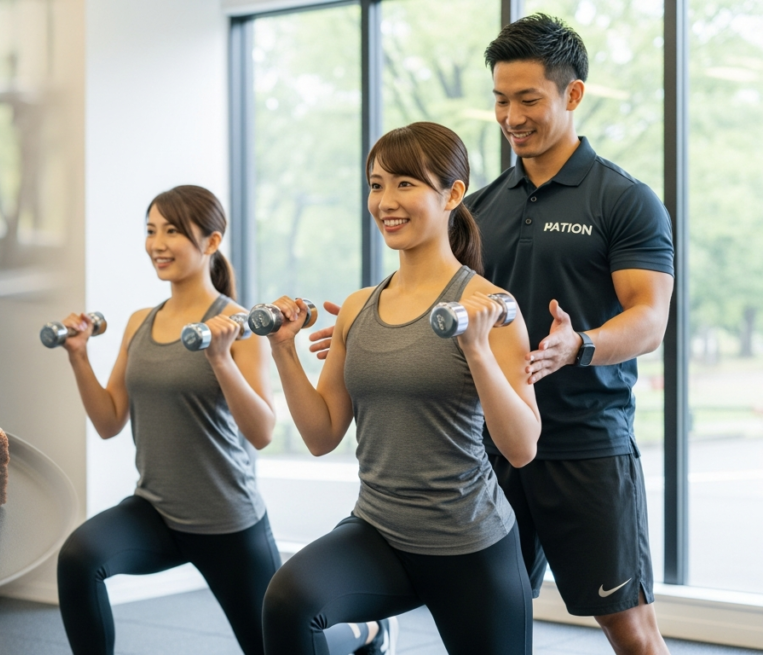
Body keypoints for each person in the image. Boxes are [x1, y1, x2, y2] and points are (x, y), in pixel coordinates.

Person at [309, 15, 675, 655]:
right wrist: (365, 326)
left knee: (630, 628)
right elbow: (436, 290)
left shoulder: (623, 199)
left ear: (572, 94)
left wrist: (578, 345)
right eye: (501, 100)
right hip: (488, 449)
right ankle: (373, 626)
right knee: (498, 615)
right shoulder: (479, 204)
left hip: (585, 444)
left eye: (528, 99)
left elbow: (650, 317)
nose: (511, 116)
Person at [52, 185, 389, 655]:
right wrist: (79, 356)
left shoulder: (239, 324)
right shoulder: (138, 323)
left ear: (211, 242)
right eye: (151, 231)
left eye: (172, 231)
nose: (157, 244)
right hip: (155, 512)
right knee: (78, 557)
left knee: (279, 645)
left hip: (228, 523)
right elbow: (109, 421)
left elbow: (263, 431)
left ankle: (366, 632)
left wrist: (219, 357)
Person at [260, 122, 540, 655]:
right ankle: (374, 637)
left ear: (452, 195)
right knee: (288, 602)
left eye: (406, 184)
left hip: (470, 545)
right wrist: (282, 351)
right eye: (375, 184)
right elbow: (321, 435)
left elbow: (522, 448)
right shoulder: (359, 308)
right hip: (380, 533)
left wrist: (478, 350)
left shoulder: (489, 306)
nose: (386, 200)